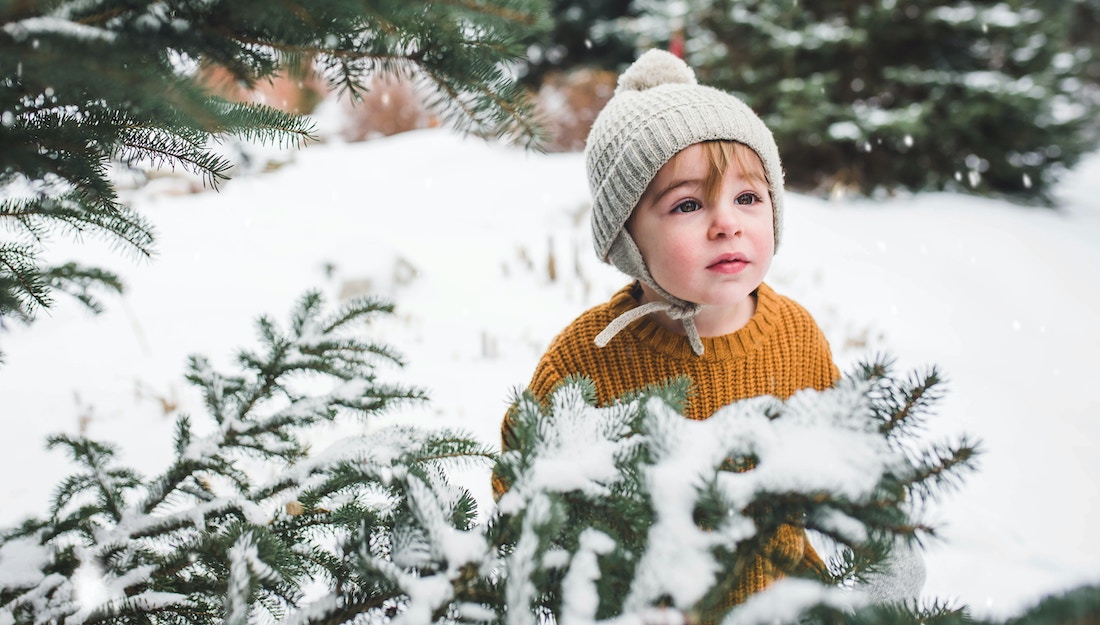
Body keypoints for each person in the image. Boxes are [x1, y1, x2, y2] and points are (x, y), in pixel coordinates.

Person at [495, 49, 921, 606]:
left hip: (781, 606)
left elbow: (855, 471)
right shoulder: (590, 356)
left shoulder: (793, 337)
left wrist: (888, 582)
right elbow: (519, 482)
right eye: (688, 204)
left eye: (748, 197)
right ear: (626, 236)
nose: (727, 224)